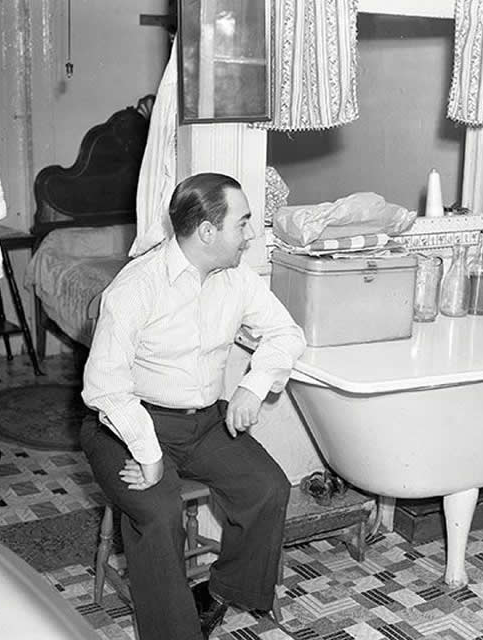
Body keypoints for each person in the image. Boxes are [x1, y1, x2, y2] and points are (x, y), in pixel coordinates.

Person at [81, 172, 306, 640]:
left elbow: (286, 333)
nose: (250, 236)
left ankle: (219, 594)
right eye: (243, 224)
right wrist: (148, 452)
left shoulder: (235, 280)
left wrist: (254, 384)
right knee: (158, 513)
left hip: (202, 422)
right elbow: (104, 386)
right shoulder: (138, 286)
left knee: (268, 488)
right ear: (207, 232)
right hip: (125, 426)